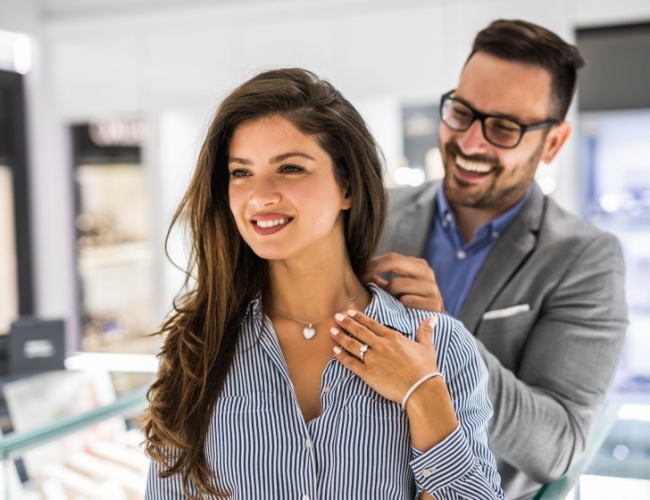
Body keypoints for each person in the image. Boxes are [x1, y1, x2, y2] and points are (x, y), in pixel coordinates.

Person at [142, 68, 504, 499]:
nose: (260, 195)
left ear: (346, 186)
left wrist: (423, 395)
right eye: (241, 172)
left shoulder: (437, 345)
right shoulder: (197, 347)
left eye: (290, 167)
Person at [369, 19, 628, 500]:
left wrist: (443, 334)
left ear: (553, 143)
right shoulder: (377, 214)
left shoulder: (586, 258)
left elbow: (557, 447)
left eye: (504, 128)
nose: (469, 143)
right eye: (461, 113)